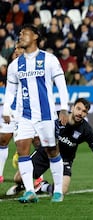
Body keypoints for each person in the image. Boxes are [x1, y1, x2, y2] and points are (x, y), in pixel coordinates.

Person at [2, 24, 69, 203]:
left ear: (36, 36)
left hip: (46, 115)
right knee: (22, 149)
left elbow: (61, 85)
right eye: (19, 34)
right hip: (24, 115)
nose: (20, 36)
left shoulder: (49, 59)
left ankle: (58, 191)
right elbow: (10, 90)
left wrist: (64, 107)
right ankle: (30, 191)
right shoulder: (15, 65)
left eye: (25, 33)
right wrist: (7, 108)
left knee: (52, 150)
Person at [8, 98, 93, 197]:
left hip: (65, 160)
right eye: (78, 109)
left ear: (86, 114)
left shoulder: (86, 130)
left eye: (84, 111)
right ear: (72, 108)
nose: (80, 113)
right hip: (45, 152)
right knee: (18, 178)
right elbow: (33, 132)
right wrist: (20, 153)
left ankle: (41, 187)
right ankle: (23, 185)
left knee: (62, 190)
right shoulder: (56, 116)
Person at [0, 42, 24, 183]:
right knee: (3, 139)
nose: (16, 51)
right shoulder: (12, 67)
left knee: (34, 143)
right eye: (15, 48)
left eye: (19, 48)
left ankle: (39, 177)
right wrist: (7, 109)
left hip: (28, 110)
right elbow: (10, 91)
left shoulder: (34, 65)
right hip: (14, 109)